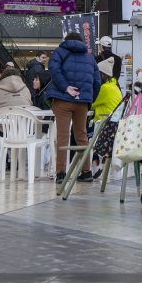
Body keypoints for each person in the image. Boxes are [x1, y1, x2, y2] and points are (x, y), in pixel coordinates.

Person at [48, 32, 101, 184]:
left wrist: (65, 87)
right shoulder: (90, 57)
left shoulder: (60, 52)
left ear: (66, 40)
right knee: (82, 136)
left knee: (63, 136)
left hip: (62, 100)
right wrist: (88, 99)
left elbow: (53, 69)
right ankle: (86, 171)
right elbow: (97, 82)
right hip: (82, 102)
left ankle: (61, 173)